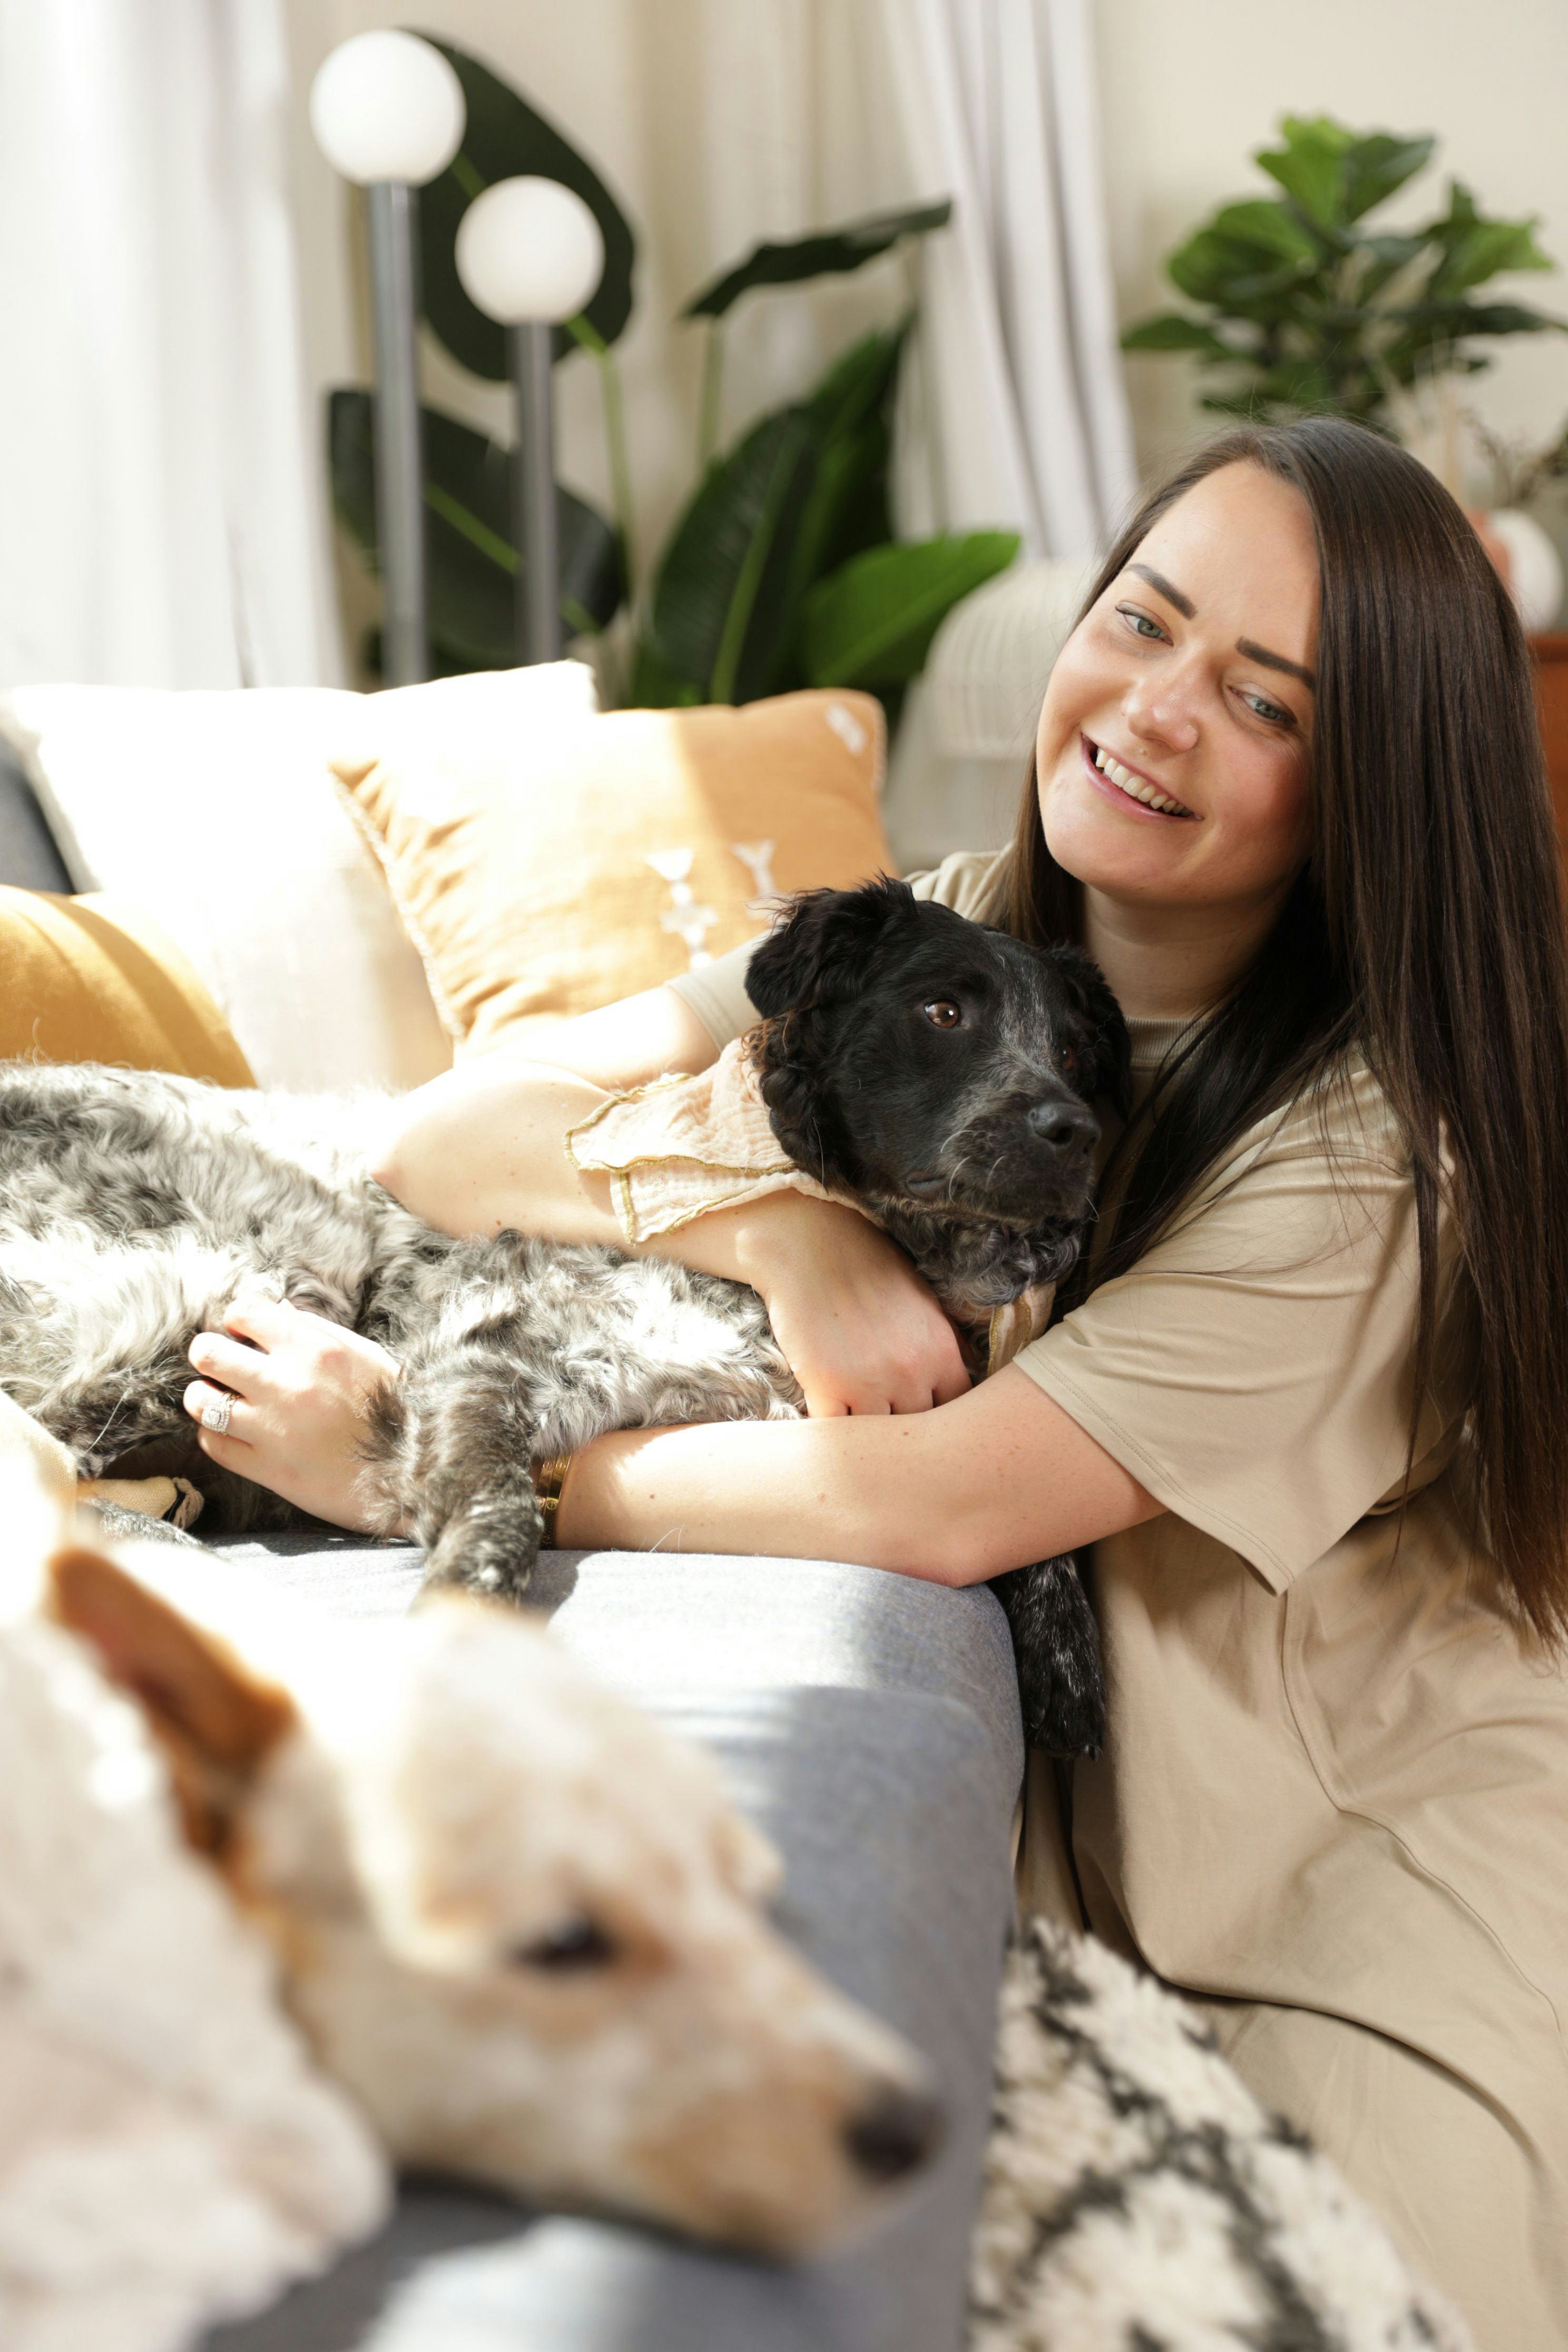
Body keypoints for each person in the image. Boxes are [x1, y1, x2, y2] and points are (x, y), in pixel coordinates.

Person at [181, 420, 1568, 2346]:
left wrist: (436, 1465)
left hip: (1366, 1882)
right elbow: (452, 1129)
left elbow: (942, 1498)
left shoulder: (1368, 1149)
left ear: (1374, 792)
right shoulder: (952, 921)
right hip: (1085, 1867)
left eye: (1261, 701)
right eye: (1144, 622)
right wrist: (783, 1232)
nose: (1154, 712)